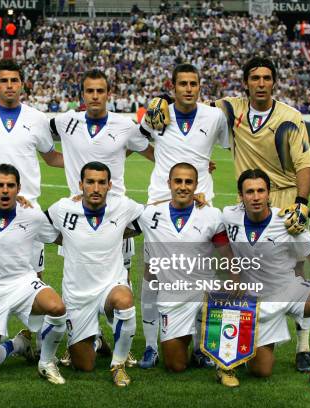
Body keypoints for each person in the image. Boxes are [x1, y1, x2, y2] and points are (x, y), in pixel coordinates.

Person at [212, 57, 310, 370]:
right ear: (246, 82)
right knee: (243, 270)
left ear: (274, 82)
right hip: (251, 198)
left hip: (285, 201)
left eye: (266, 78)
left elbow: (304, 165)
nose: (261, 83)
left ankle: (303, 345)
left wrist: (301, 202)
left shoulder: (290, 116)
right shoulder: (230, 109)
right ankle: (243, 338)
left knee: (296, 274)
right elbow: (194, 111)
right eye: (255, 78)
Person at [49, 68, 154, 366]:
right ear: (82, 94)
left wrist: (194, 169)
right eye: (89, 91)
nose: (95, 96)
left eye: (100, 91)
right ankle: (83, 337)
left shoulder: (124, 126)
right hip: (78, 217)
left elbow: (151, 153)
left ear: (109, 94)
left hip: (117, 216)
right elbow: (44, 150)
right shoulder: (66, 122)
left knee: (121, 284)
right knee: (77, 278)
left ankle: (122, 345)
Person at [138, 64, 229, 368]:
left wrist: (204, 167)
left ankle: (202, 344)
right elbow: (139, 141)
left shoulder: (214, 116)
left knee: (201, 276)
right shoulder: (158, 114)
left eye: (194, 84)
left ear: (200, 86)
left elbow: (229, 146)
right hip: (159, 203)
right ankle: (151, 345)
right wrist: (163, 160)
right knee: (154, 275)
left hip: (201, 204)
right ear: (173, 87)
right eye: (182, 84)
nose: (189, 89)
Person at [219, 169, 310, 388]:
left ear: (269, 194)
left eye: (261, 191)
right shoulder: (229, 216)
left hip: (290, 289)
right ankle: (247, 344)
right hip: (257, 301)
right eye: (250, 192)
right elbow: (210, 228)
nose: (256, 197)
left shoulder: (286, 221)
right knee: (261, 371)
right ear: (241, 195)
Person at [0, 164, 67, 385]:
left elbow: (59, 238)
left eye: (10, 186)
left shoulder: (33, 216)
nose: (5, 190)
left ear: (18, 189)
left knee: (56, 307)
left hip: (23, 285)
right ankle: (17, 344)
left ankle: (46, 363)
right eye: (0, 185)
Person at [46, 161, 144, 387]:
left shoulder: (123, 206)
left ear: (110, 185)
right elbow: (38, 224)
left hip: (111, 287)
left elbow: (152, 217)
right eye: (90, 182)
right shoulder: (62, 208)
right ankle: (97, 340)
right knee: (84, 366)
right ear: (81, 184)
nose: (96, 188)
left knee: (124, 300)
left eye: (102, 182)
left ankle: (118, 365)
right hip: (77, 296)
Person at [0, 59, 63, 277]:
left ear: (22, 84)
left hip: (28, 208)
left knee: (34, 278)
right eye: (4, 81)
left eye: (14, 80)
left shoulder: (38, 118)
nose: (9, 85)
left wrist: (85, 163)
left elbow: (51, 158)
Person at [138, 163, 232, 373]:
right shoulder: (149, 214)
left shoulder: (212, 215)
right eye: (178, 181)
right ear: (169, 184)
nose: (183, 186)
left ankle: (201, 347)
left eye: (188, 182)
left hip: (206, 293)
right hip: (173, 297)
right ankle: (165, 342)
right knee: (175, 366)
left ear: (196, 185)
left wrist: (235, 287)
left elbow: (228, 256)